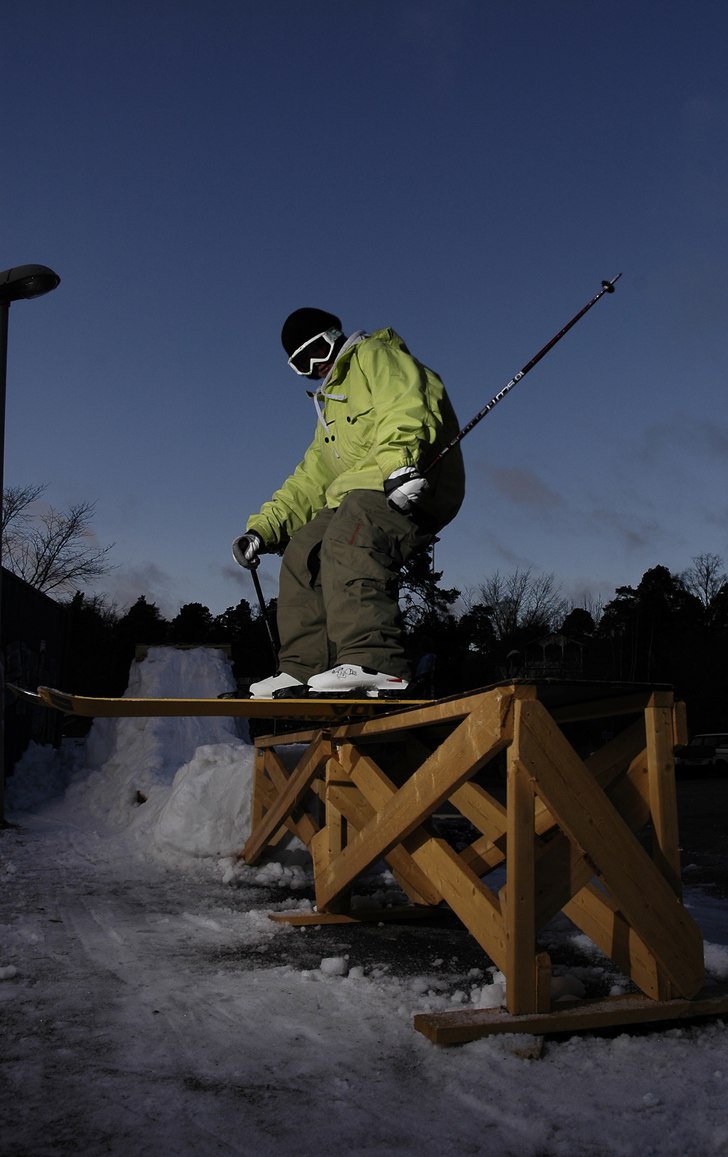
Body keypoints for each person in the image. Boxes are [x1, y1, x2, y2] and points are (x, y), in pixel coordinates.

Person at [232, 307, 465, 698]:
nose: (314, 366)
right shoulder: (330, 410)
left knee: (349, 534)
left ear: (334, 335)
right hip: (359, 492)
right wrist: (263, 527)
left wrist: (400, 464)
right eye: (300, 365)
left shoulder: (376, 356)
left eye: (317, 352)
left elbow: (406, 405)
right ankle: (303, 667)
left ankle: (376, 661)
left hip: (410, 479)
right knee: (302, 551)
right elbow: (311, 478)